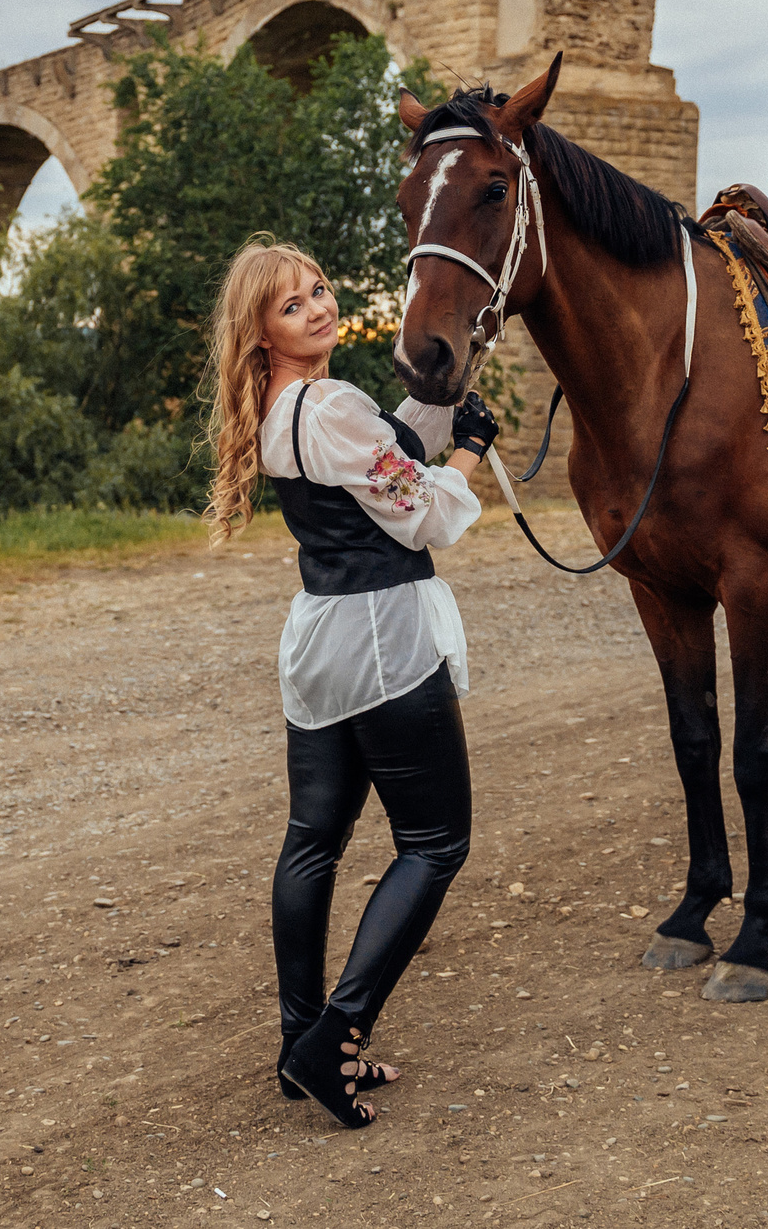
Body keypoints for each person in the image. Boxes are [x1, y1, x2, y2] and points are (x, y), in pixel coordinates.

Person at [204, 238, 501, 1129]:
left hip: (321, 640)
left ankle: (299, 1041)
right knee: (436, 842)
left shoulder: (280, 405)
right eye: (293, 305)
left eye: (320, 289)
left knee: (312, 841)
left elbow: (383, 458)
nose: (320, 307)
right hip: (382, 642)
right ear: (263, 331)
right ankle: (335, 1037)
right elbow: (423, 512)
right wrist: (472, 449)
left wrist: (441, 403)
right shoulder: (332, 404)